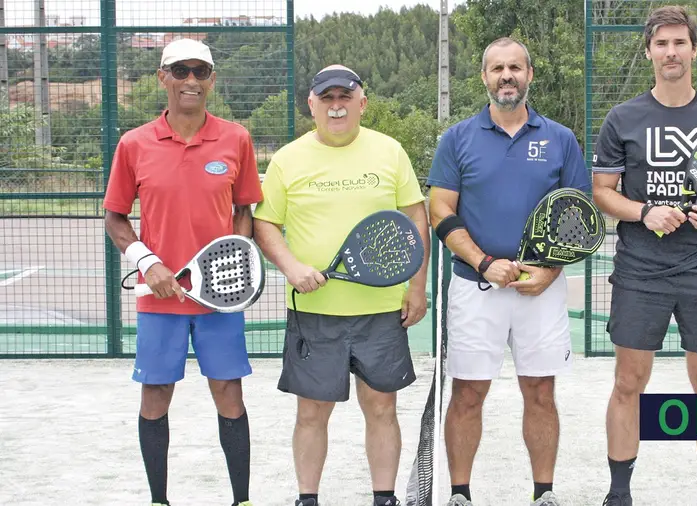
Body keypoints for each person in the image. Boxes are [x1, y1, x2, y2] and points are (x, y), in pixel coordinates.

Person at [590, 6, 697, 506]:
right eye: (661, 44)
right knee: (628, 382)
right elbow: (602, 191)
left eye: (680, 42)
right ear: (649, 52)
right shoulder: (624, 118)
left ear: (694, 49)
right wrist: (644, 212)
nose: (671, 52)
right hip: (641, 270)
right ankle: (619, 495)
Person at [251, 64, 430, 506]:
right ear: (311, 105)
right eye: (326, 98)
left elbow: (415, 219)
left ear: (362, 104)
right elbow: (265, 223)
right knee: (311, 413)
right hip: (314, 312)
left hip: (380, 311)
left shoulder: (389, 151)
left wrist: (417, 287)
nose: (336, 107)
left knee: (383, 408)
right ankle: (307, 499)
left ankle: (384, 498)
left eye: (344, 97)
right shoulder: (288, 159)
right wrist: (291, 266)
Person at [427, 37, 592, 506]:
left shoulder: (559, 138)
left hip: (539, 291)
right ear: (483, 77)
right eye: (497, 68)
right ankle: (460, 494)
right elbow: (440, 209)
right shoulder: (457, 138)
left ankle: (544, 494)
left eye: (515, 67)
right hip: (474, 285)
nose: (506, 76)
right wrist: (485, 262)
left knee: (540, 392)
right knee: (468, 393)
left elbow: (577, 215)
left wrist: (550, 271)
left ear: (529, 74)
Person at [102, 38, 262, 506]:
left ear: (211, 79)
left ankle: (242, 501)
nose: (190, 80)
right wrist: (146, 262)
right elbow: (114, 217)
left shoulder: (237, 139)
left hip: (218, 300)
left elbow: (244, 209)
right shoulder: (133, 144)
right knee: (155, 399)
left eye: (200, 71)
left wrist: (233, 256)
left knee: (229, 397)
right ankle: (159, 501)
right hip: (159, 300)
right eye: (180, 70)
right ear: (162, 77)